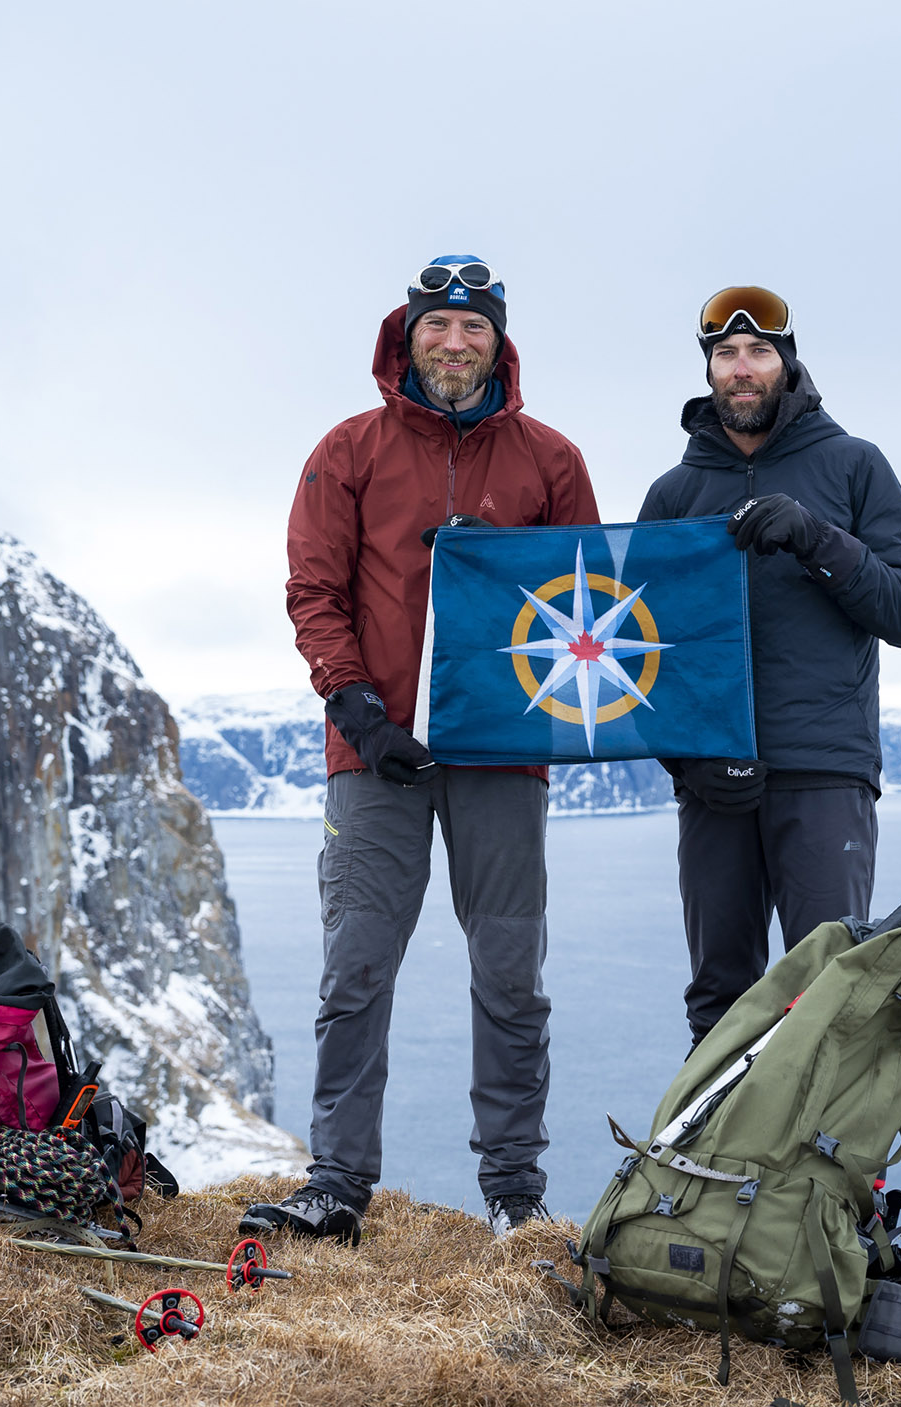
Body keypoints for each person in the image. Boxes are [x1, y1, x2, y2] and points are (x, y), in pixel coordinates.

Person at [246, 256, 600, 1243]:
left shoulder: (552, 461)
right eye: (436, 326)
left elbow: (585, 604)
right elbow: (313, 592)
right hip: (376, 752)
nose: (453, 344)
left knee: (508, 972)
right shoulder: (346, 450)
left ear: (499, 342)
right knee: (355, 964)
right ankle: (337, 1182)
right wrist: (359, 712)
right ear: (405, 338)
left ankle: (514, 1192)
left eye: (473, 328)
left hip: (501, 754)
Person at [636, 286, 901, 1043]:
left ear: (788, 363)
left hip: (824, 773)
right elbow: (637, 655)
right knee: (720, 997)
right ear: (708, 372)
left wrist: (817, 538)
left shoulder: (855, 468)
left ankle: (825, 1167)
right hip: (714, 784)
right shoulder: (674, 494)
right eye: (725, 355)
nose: (742, 368)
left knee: (830, 991)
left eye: (759, 352)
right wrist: (688, 762)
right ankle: (713, 1163)